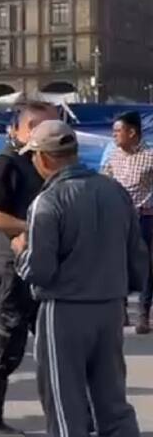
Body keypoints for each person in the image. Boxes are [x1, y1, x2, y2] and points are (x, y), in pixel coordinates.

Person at [13, 120, 144, 437]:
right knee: (113, 402)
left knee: (65, 404)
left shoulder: (48, 201)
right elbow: (138, 258)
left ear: (44, 158)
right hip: (110, 307)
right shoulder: (115, 191)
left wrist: (20, 252)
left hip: (65, 310)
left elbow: (40, 269)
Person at [0, 101, 58, 435]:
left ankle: (64, 413)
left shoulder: (41, 161)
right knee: (6, 347)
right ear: (30, 128)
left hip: (39, 265)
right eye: (51, 126)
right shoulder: (6, 162)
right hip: (10, 268)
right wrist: (35, 228)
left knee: (53, 345)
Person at [102, 111, 153, 335]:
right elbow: (104, 183)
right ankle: (120, 312)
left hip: (144, 218)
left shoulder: (150, 156)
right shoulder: (113, 156)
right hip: (118, 218)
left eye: (118, 131)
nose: (114, 135)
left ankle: (143, 313)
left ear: (132, 132)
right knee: (117, 264)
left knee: (147, 267)